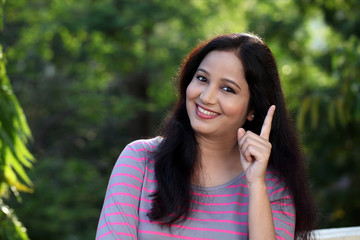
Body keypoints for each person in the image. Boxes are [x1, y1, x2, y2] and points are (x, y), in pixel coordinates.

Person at [95, 33, 317, 240]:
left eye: (228, 89)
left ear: (253, 109)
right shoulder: (139, 161)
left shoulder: (273, 188)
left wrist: (256, 186)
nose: (206, 97)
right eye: (202, 79)